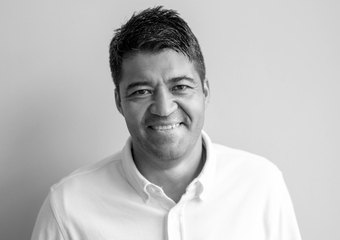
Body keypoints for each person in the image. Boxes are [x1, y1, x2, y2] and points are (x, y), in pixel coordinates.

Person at [31, 6, 301, 240]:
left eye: (180, 86)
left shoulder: (261, 185)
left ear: (205, 92)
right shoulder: (67, 207)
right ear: (118, 101)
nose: (163, 108)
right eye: (141, 91)